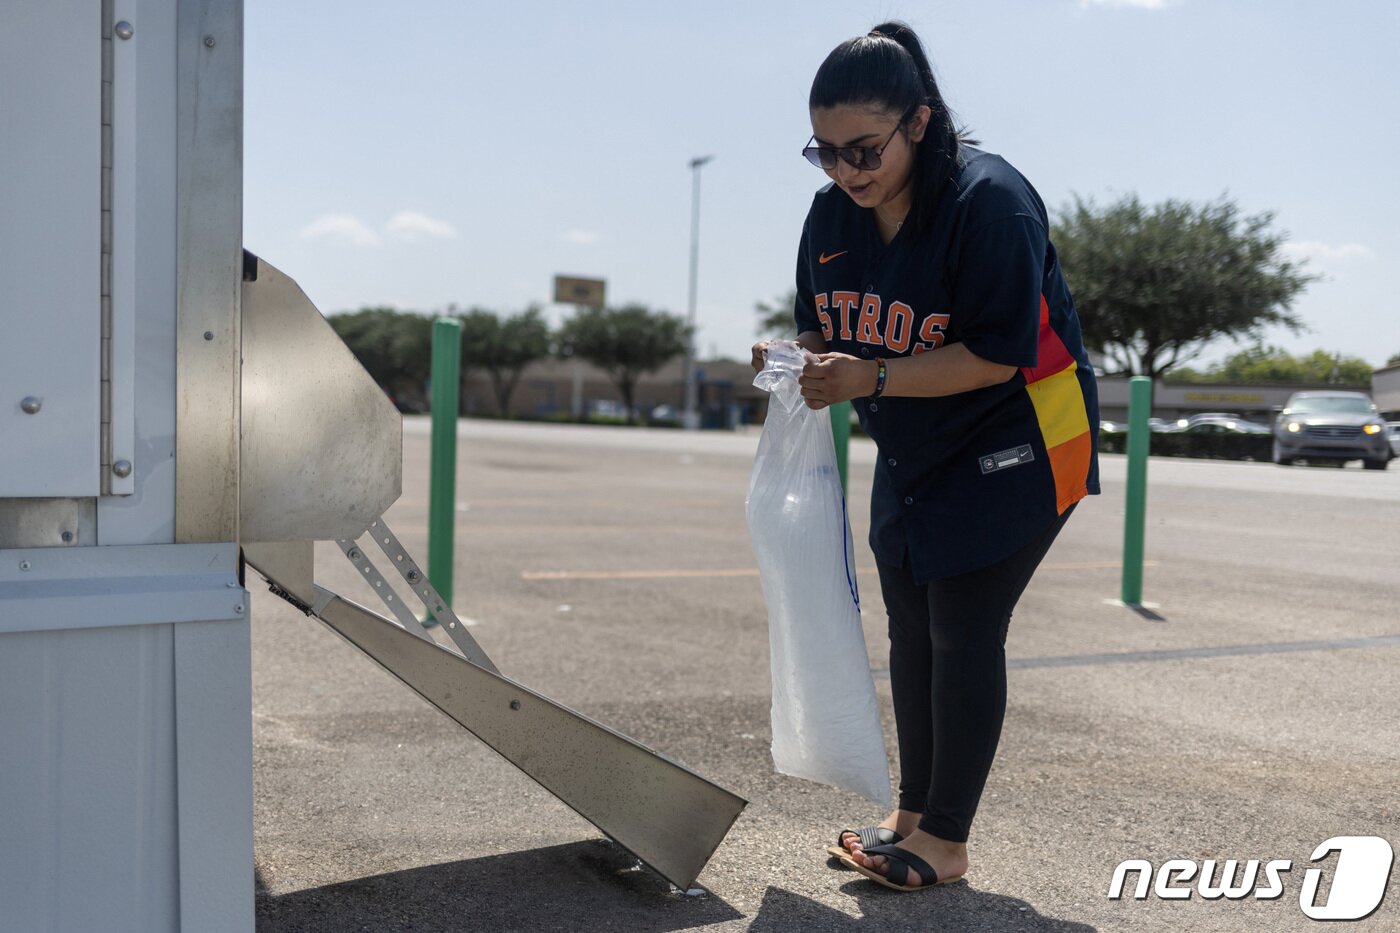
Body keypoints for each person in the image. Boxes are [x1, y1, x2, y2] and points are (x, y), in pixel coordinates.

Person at [751, 21, 1101, 892]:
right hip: (915, 446)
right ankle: (910, 817)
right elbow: (820, 320)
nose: (845, 170)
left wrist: (865, 370)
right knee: (911, 625)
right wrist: (795, 358)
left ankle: (946, 839)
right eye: (823, 152)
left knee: (963, 625)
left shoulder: (990, 202)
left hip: (1026, 433)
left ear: (919, 121)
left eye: (863, 148)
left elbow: (996, 350)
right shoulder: (835, 214)